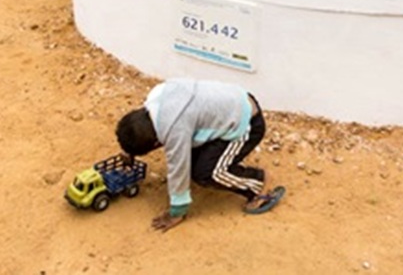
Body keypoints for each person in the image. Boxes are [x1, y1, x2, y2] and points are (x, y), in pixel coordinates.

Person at [116, 78, 285, 231]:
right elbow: (138, 127)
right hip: (234, 100)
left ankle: (257, 184)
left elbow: (178, 169)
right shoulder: (156, 96)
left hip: (245, 123)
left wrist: (177, 211)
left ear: (155, 144)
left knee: (208, 173)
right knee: (194, 159)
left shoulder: (175, 129)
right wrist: (129, 149)